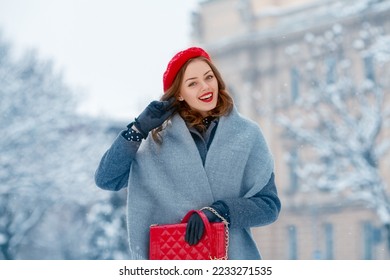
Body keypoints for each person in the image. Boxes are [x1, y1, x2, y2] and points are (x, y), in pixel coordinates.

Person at [95, 47, 281, 260]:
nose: (205, 87)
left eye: (209, 77)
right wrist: (138, 130)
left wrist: (219, 212)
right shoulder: (157, 140)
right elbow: (107, 179)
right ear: (179, 94)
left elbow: (269, 206)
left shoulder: (248, 135)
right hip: (175, 259)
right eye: (192, 83)